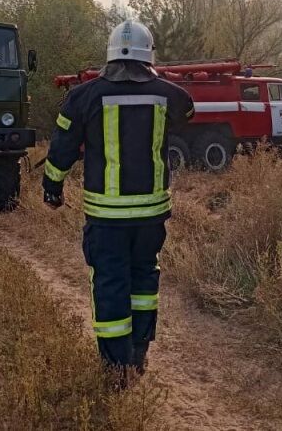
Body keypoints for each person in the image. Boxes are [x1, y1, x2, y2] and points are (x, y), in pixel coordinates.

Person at [42, 20, 194, 384]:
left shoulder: (82, 97)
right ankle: (140, 353)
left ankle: (115, 367)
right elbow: (187, 114)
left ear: (110, 54)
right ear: (149, 55)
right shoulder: (170, 95)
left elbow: (61, 148)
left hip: (107, 219)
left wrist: (53, 187)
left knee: (110, 285)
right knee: (144, 280)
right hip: (151, 217)